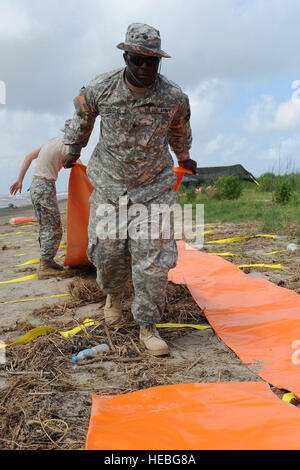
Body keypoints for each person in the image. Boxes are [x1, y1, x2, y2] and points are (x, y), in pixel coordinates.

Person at [62, 23, 197, 356]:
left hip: (154, 187)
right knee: (107, 256)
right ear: (126, 56)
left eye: (152, 61)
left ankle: (148, 325)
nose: (144, 67)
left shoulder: (173, 97)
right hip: (110, 185)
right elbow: (82, 118)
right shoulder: (101, 88)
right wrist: (72, 148)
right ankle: (114, 295)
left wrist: (184, 157)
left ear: (159, 61)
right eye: (138, 60)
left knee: (152, 262)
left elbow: (180, 131)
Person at [10, 136, 69, 279]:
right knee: (54, 227)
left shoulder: (50, 142)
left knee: (45, 226)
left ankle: (48, 260)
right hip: (45, 187)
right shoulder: (68, 144)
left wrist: (19, 180)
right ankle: (45, 266)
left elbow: (28, 156)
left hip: (35, 186)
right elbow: (76, 165)